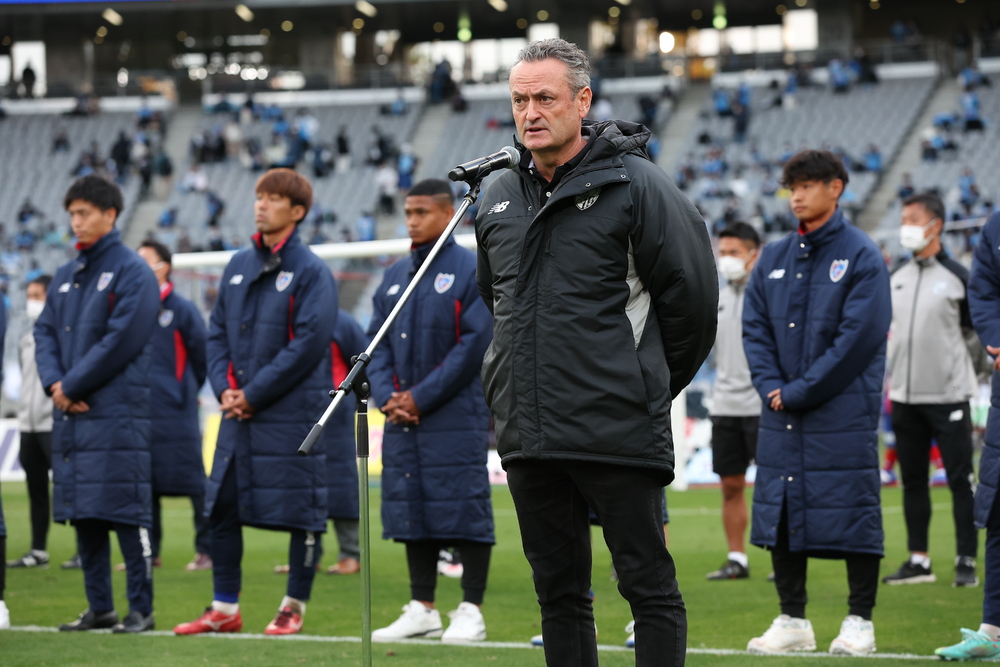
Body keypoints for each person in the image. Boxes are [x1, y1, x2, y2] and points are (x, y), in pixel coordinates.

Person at [475, 39, 717, 666]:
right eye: (520, 100)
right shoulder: (496, 194)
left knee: (647, 587)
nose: (530, 112)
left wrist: (641, 381)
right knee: (557, 595)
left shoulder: (637, 184)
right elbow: (497, 301)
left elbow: (692, 303)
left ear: (582, 101)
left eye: (545, 98)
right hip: (529, 429)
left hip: (616, 424)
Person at [173, 168, 337, 637]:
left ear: (298, 211)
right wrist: (225, 389)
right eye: (259, 196)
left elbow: (308, 344)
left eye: (273, 198)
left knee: (302, 511)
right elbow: (216, 334)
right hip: (237, 414)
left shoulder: (312, 272)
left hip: (291, 414)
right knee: (222, 507)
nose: (261, 204)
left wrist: (253, 394)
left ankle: (293, 606)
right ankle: (224, 606)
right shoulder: (237, 265)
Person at [742, 150, 891, 656]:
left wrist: (799, 391)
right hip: (781, 410)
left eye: (808, 185)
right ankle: (793, 620)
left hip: (840, 412)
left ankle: (860, 621)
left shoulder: (863, 254)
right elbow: (754, 328)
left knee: (854, 508)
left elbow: (859, 339)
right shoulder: (774, 257)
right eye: (793, 187)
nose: (797, 196)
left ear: (837, 188)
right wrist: (770, 385)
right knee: (782, 510)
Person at [368, 178, 495, 643]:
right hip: (401, 416)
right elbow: (375, 345)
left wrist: (419, 398)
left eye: (421, 212)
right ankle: (422, 607)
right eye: (407, 212)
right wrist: (388, 396)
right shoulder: (393, 277)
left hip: (454, 414)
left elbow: (474, 345)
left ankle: (471, 609)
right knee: (411, 506)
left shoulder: (470, 269)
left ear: (448, 214)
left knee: (464, 505)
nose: (411, 221)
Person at [35, 175, 160, 633]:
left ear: (110, 214)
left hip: (116, 413)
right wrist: (55, 384)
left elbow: (121, 340)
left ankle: (141, 609)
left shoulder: (133, 271)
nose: (76, 221)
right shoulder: (66, 275)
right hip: (72, 413)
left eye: (83, 213)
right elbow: (44, 332)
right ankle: (100, 607)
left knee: (127, 512)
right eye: (71, 214)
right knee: (85, 511)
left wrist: (71, 386)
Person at [882, 192, 979, 588]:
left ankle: (966, 560)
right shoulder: (896, 277)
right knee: (913, 481)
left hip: (948, 396)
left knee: (960, 480)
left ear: (935, 225)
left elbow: (976, 332)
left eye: (913, 218)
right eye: (903, 219)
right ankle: (918, 560)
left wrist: (959, 372)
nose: (905, 226)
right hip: (904, 397)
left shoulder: (958, 276)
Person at [940, 210, 1000, 660]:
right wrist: (997, 339)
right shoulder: (996, 227)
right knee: (998, 507)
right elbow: (983, 290)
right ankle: (992, 632)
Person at [272, 308, 367, 577]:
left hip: (334, 411)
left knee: (341, 482)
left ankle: (350, 554)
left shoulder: (343, 322)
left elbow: (362, 362)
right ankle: (306, 556)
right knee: (301, 484)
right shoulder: (288, 319)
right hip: (297, 411)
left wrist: (348, 399)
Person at [136, 241, 212, 572]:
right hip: (142, 410)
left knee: (194, 483)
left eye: (145, 261)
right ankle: (149, 552)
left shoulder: (182, 309)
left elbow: (202, 357)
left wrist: (183, 389)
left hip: (177, 412)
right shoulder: (133, 309)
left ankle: (206, 550)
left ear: (164, 266)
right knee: (145, 484)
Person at [706, 223, 762, 581]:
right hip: (724, 405)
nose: (726, 259)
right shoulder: (717, 298)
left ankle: (784, 557)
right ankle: (736, 558)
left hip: (763, 406)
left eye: (734, 252)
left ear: (753, 255)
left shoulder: (770, 296)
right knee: (730, 486)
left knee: (776, 487)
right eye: (722, 252)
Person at [7, 276, 54, 570]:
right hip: (28, 424)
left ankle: (83, 550)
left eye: (37, 295)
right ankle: (38, 550)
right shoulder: (26, 338)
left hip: (53, 424)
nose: (32, 301)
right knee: (35, 489)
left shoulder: (63, 335)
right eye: (30, 295)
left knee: (69, 489)